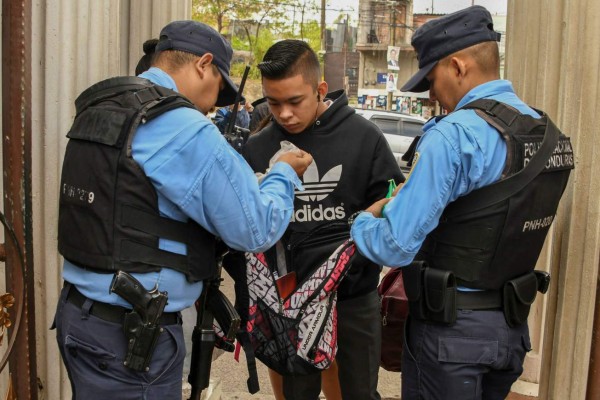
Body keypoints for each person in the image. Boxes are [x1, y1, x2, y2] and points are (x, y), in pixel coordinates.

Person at [53, 20, 313, 400]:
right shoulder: (181, 126)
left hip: (80, 318)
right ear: (203, 64)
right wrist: (284, 174)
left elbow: (135, 202)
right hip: (131, 340)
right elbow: (254, 228)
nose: (212, 105)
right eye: (217, 90)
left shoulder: (104, 107)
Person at [350, 6, 573, 400]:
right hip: (510, 331)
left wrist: (363, 222)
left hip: (451, 335)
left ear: (457, 66)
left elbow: (395, 245)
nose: (432, 94)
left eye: (432, 80)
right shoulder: (548, 133)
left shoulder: (454, 136)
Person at [242, 39, 403, 400]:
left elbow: (395, 193)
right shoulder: (257, 146)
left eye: (295, 101)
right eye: (274, 102)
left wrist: (374, 214)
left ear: (320, 89)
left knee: (356, 394)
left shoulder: (364, 136)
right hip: (286, 302)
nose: (284, 113)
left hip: (353, 297)